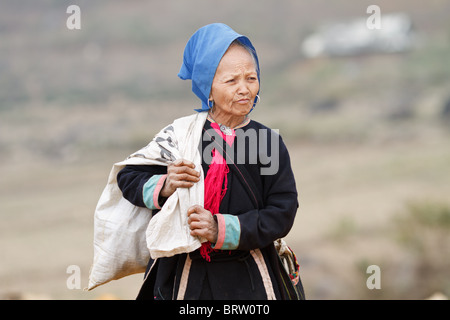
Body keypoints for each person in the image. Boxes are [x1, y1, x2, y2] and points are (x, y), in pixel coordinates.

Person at [116, 23, 304, 300]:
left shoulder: (267, 141)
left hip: (251, 279)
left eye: (251, 78)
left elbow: (282, 212)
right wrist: (167, 184)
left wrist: (220, 228)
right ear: (208, 88)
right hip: (184, 275)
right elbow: (128, 178)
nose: (244, 89)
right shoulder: (181, 136)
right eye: (231, 81)